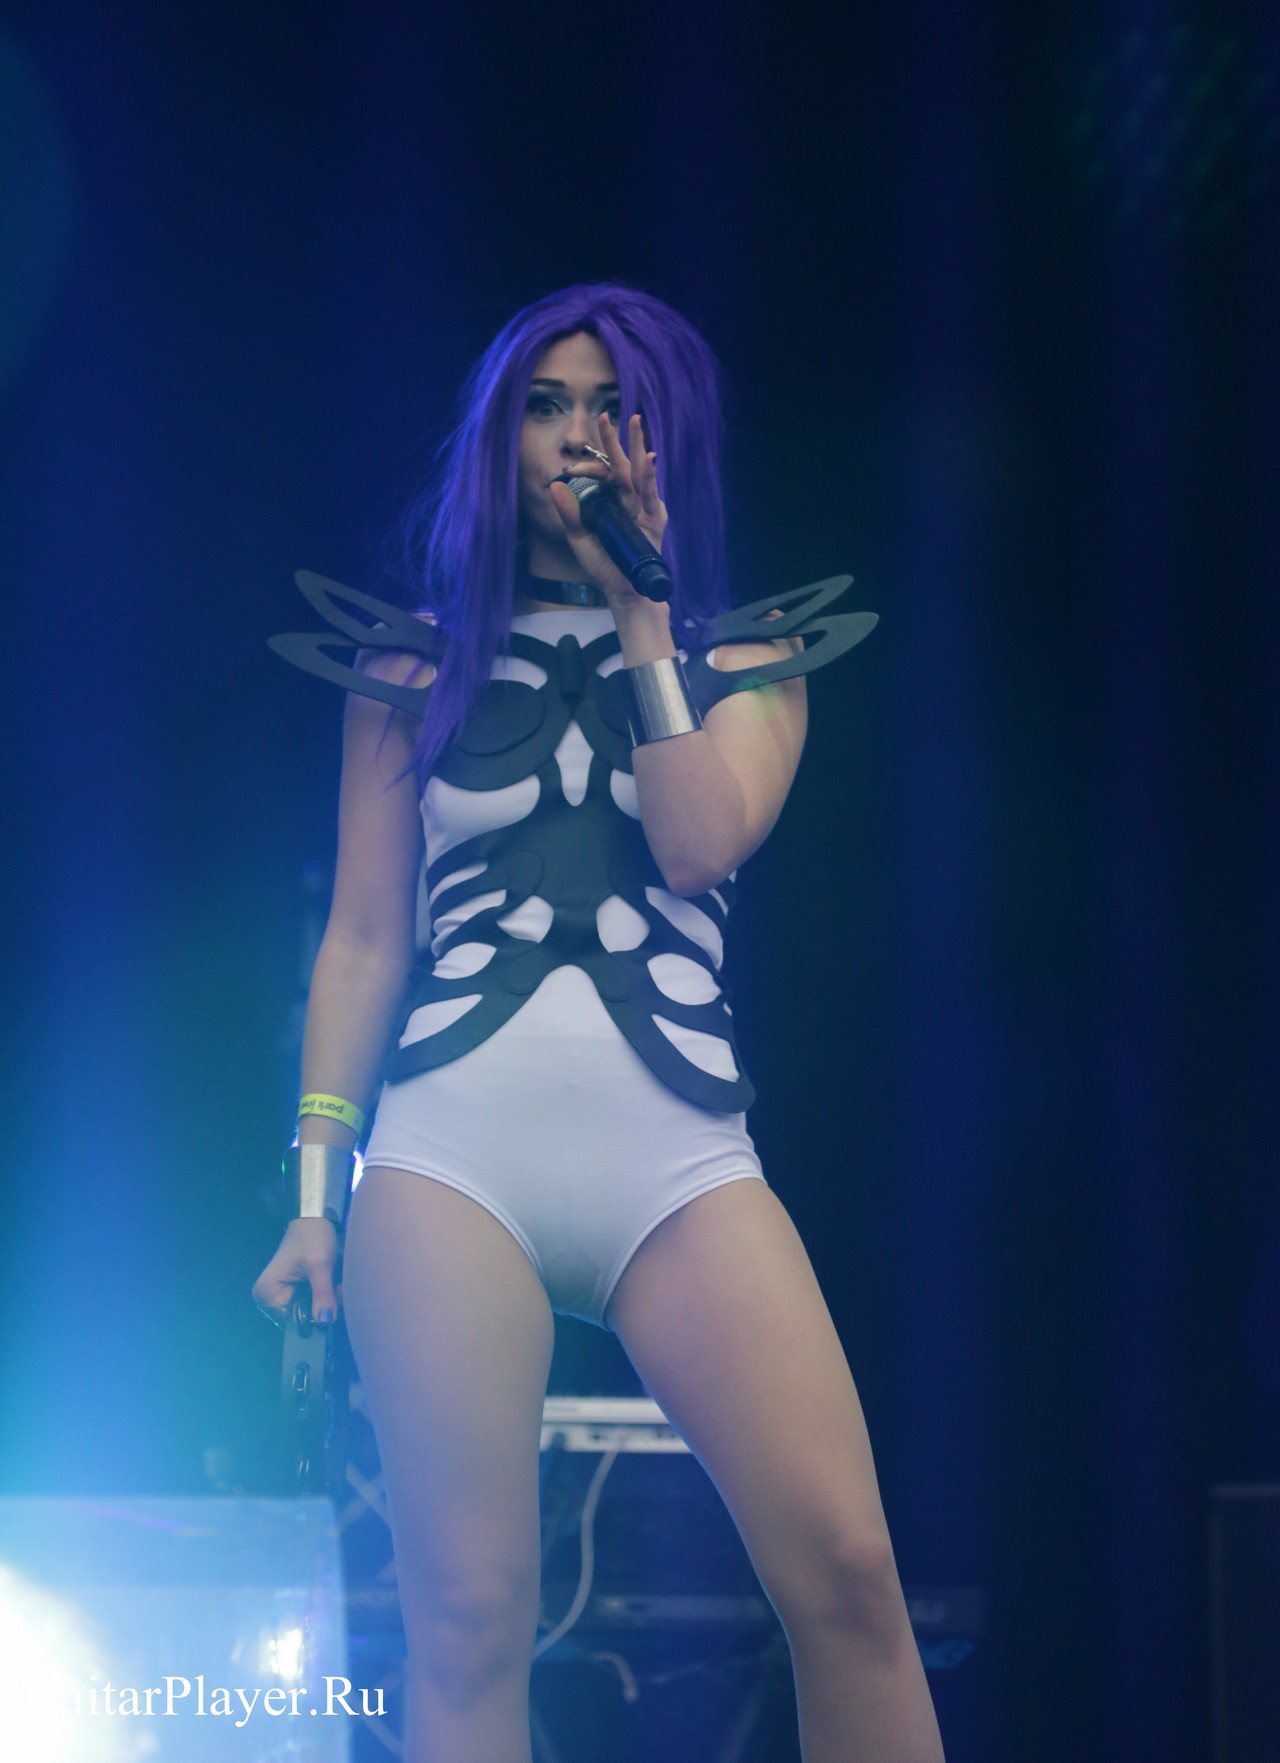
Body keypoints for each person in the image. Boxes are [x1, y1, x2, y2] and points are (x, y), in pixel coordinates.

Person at [253, 283, 946, 1763]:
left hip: (679, 1156)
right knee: (466, 1613)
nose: (576, 438)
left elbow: (697, 846)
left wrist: (644, 617)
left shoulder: (750, 664)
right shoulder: (409, 666)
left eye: (611, 409)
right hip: (450, 1155)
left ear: (664, 439)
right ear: (500, 437)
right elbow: (364, 940)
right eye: (546, 405)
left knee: (849, 1574)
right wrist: (314, 1198)